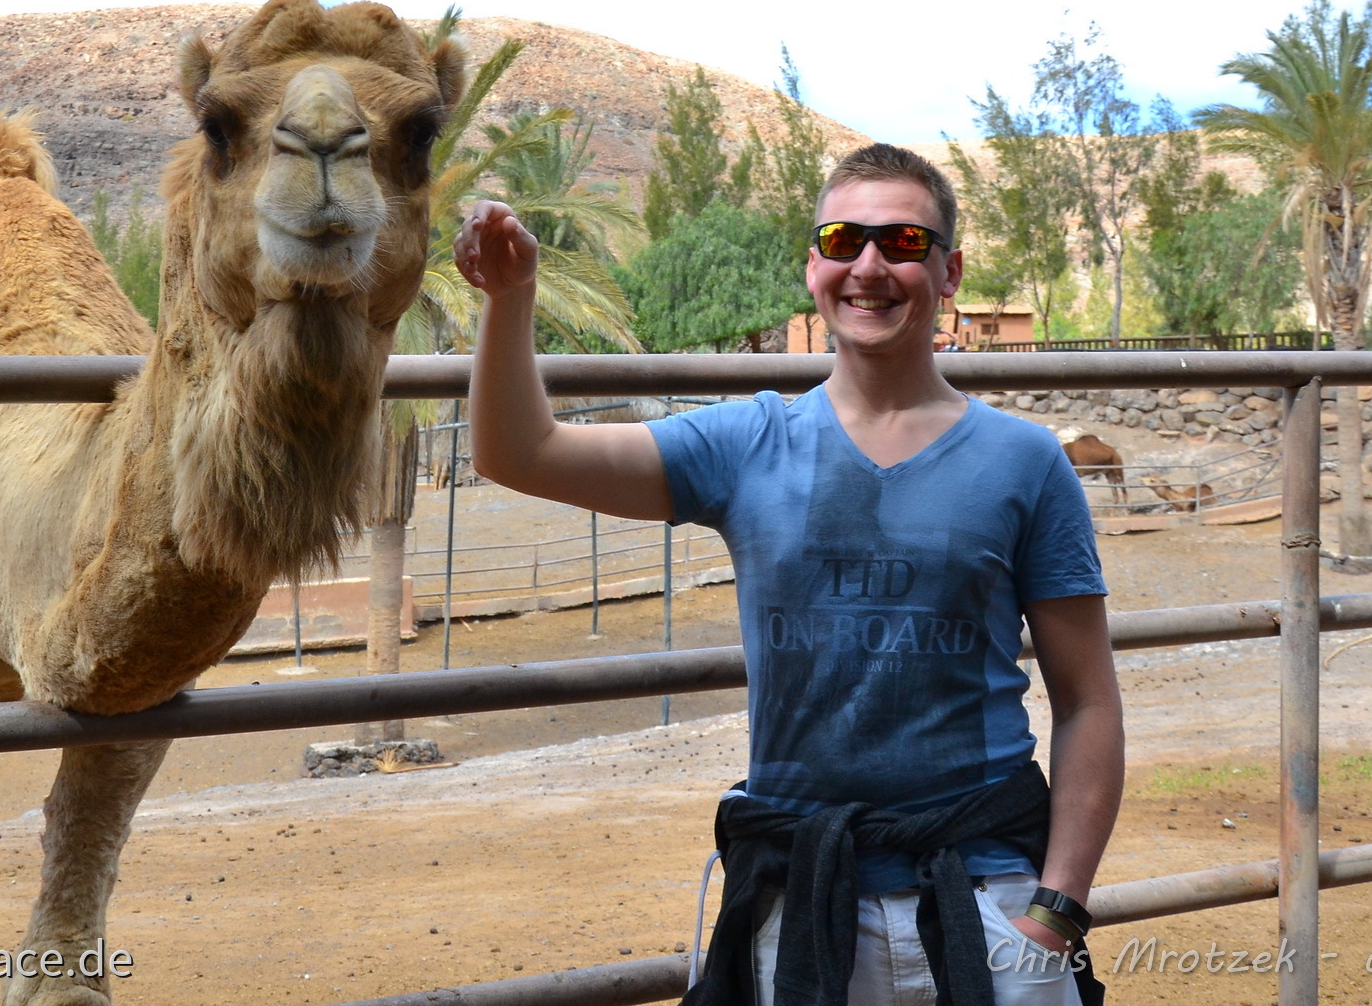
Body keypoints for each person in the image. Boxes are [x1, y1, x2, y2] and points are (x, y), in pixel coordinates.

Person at [454, 142, 1122, 1006]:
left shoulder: (1026, 463)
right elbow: (521, 452)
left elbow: (1089, 700)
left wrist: (1054, 912)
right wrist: (511, 302)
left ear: (950, 270)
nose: (870, 266)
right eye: (845, 241)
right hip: (798, 902)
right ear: (814, 266)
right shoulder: (744, 444)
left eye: (904, 244)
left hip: (985, 892)